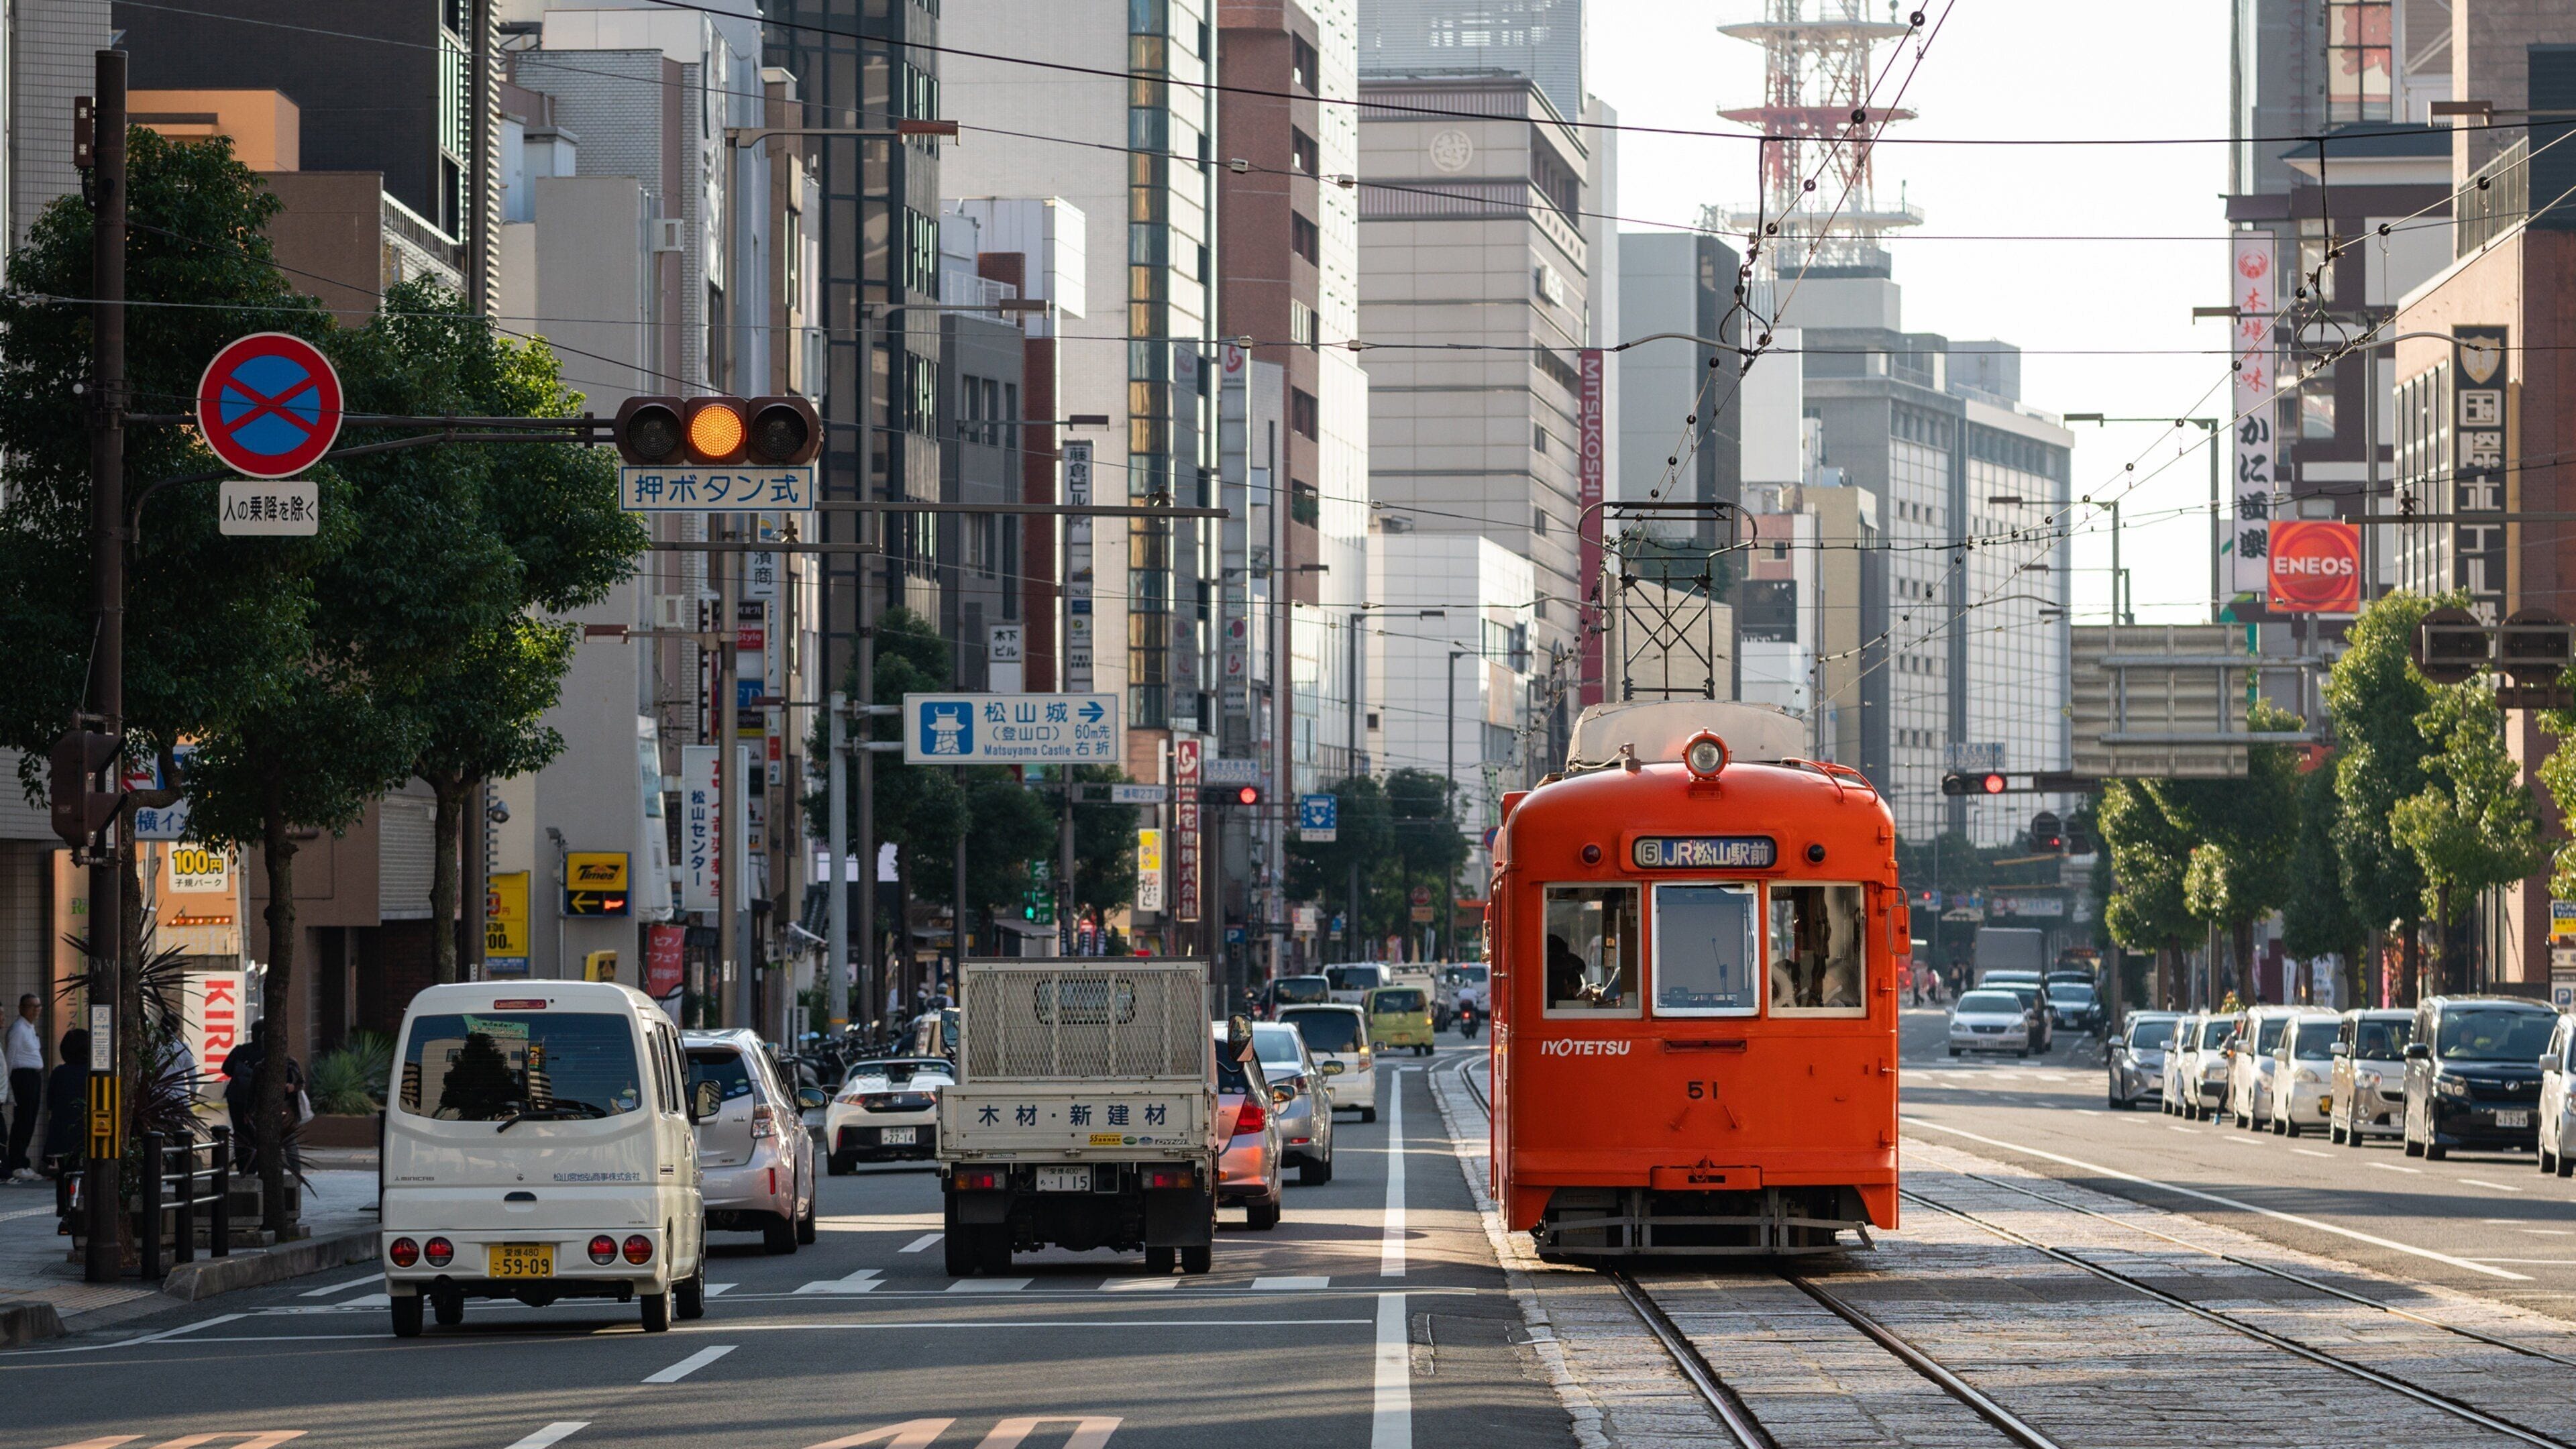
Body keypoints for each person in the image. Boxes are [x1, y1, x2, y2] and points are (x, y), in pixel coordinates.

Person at [4, 994, 40, 1181]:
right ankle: (17, 1163)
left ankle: (22, 1162)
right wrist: (7, 1083)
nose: (36, 1010)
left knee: (29, 1120)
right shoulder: (18, 1029)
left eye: (38, 1006)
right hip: (22, 1077)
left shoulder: (30, 1029)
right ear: (21, 1008)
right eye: (31, 1006)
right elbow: (10, 1056)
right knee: (23, 1121)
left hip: (32, 1076)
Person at [43, 1028, 86, 1179]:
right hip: (86, 1133)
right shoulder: (95, 1074)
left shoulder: (59, 1073)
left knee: (64, 1174)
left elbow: (50, 1103)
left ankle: (63, 1203)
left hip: (61, 1133)